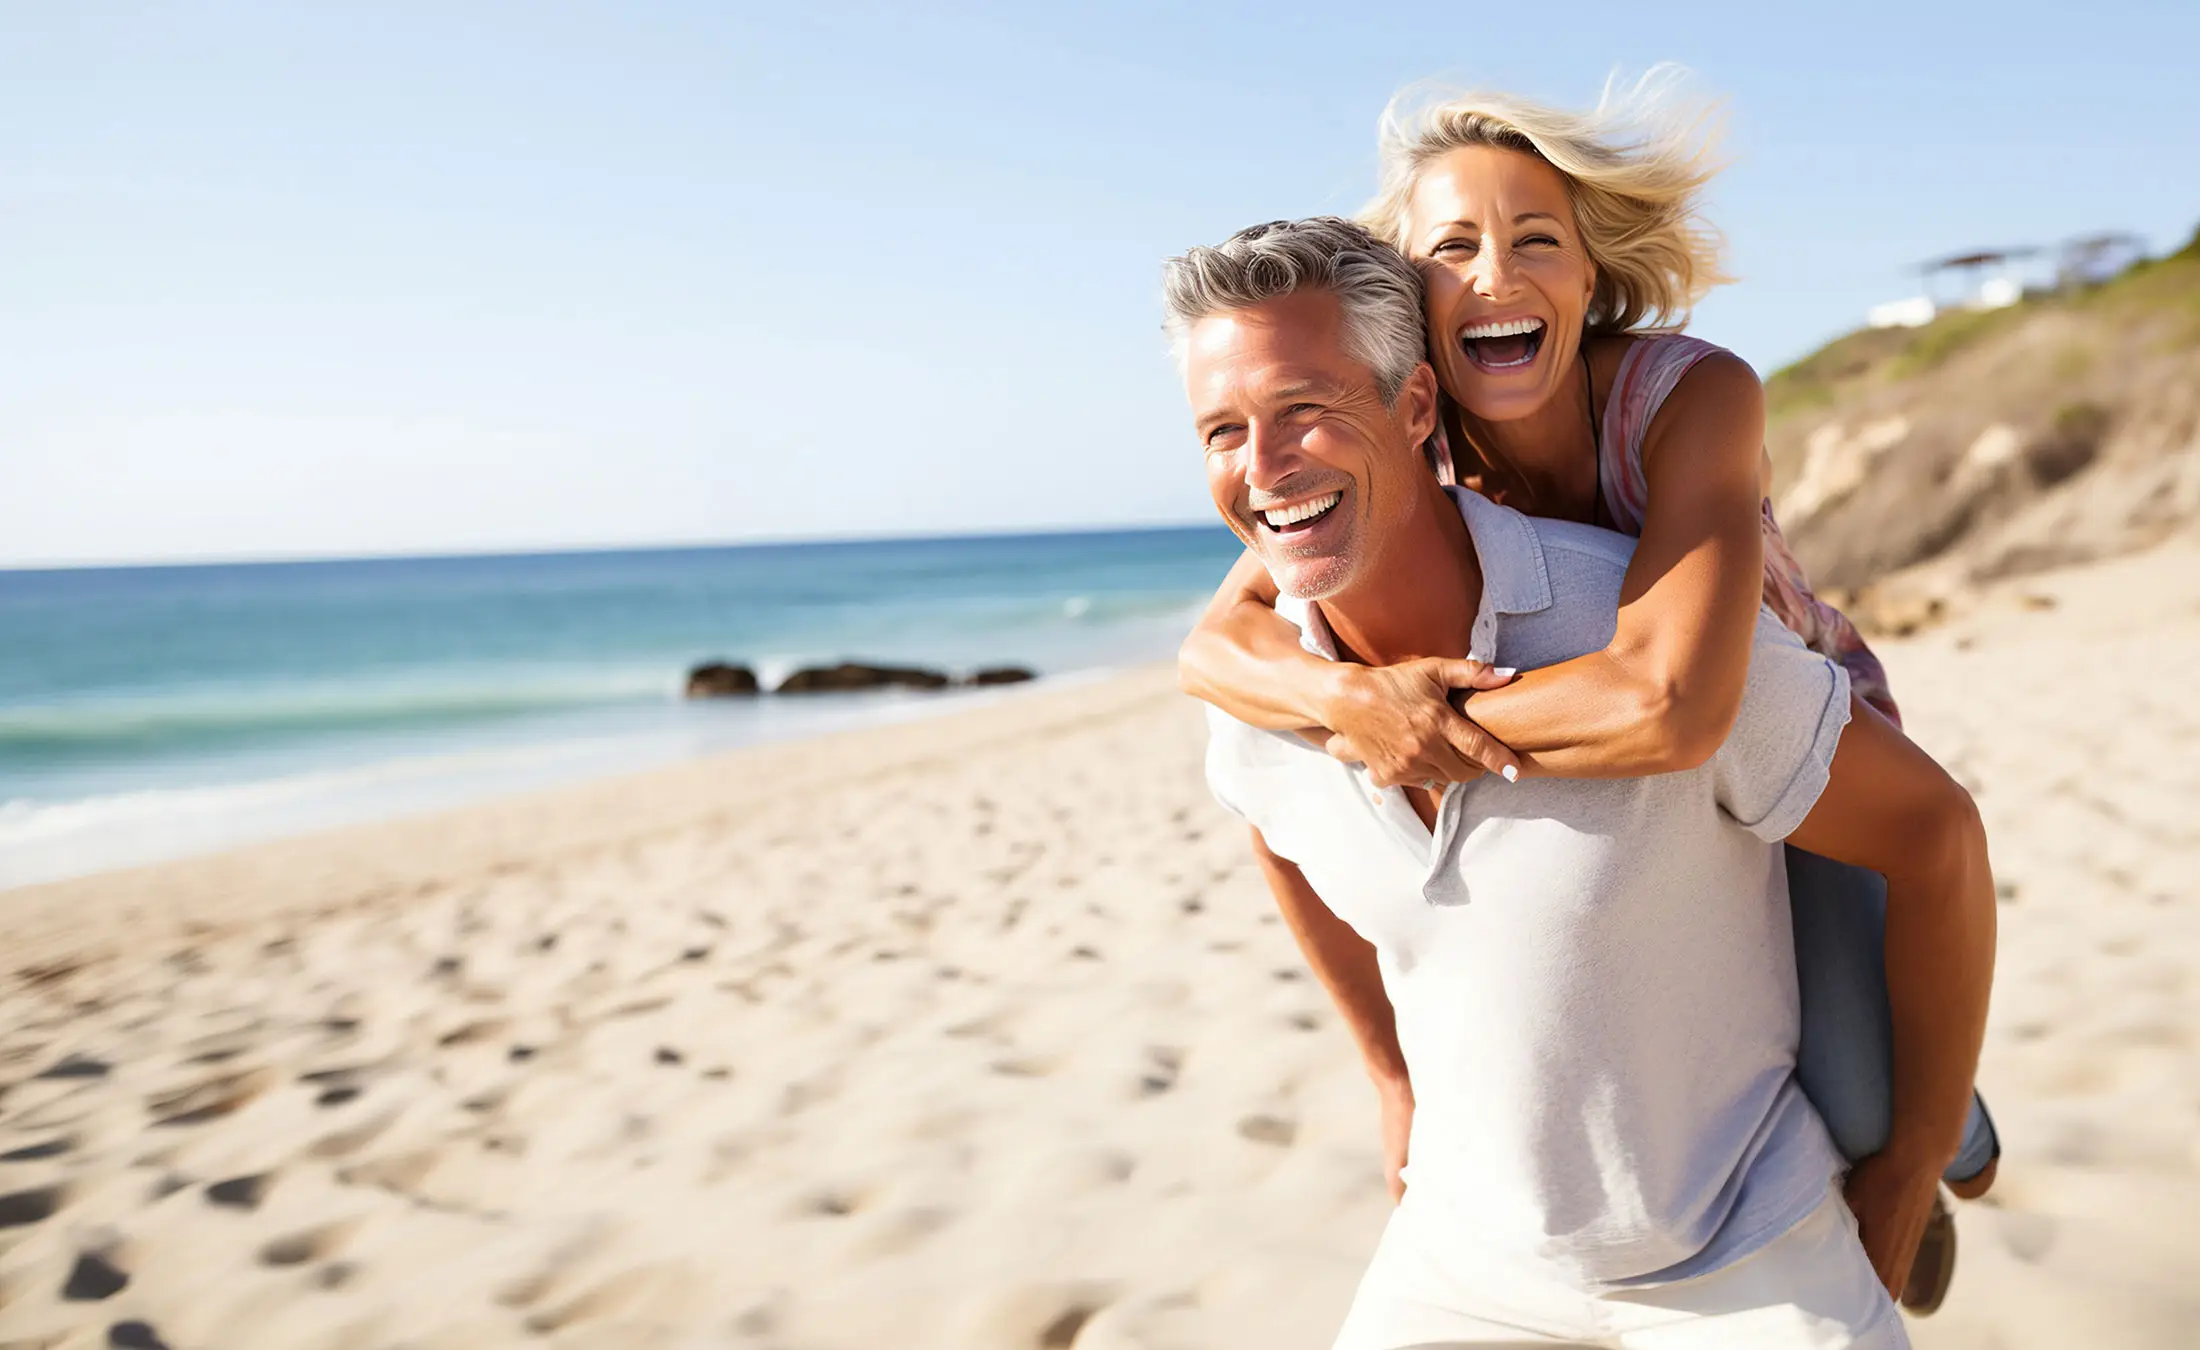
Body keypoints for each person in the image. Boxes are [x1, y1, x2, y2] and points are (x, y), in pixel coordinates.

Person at [1174, 75, 1998, 1310]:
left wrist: (1403, 721)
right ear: (1413, 304)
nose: (1495, 275)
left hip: (1783, 721)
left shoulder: (1685, 397)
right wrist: (1344, 705)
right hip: (1606, 726)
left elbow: (1674, 706)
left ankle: (1953, 1143)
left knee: (1865, 1084)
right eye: (1452, 248)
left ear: (1588, 277)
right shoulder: (1406, 424)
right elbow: (1212, 646)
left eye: (1535, 241)